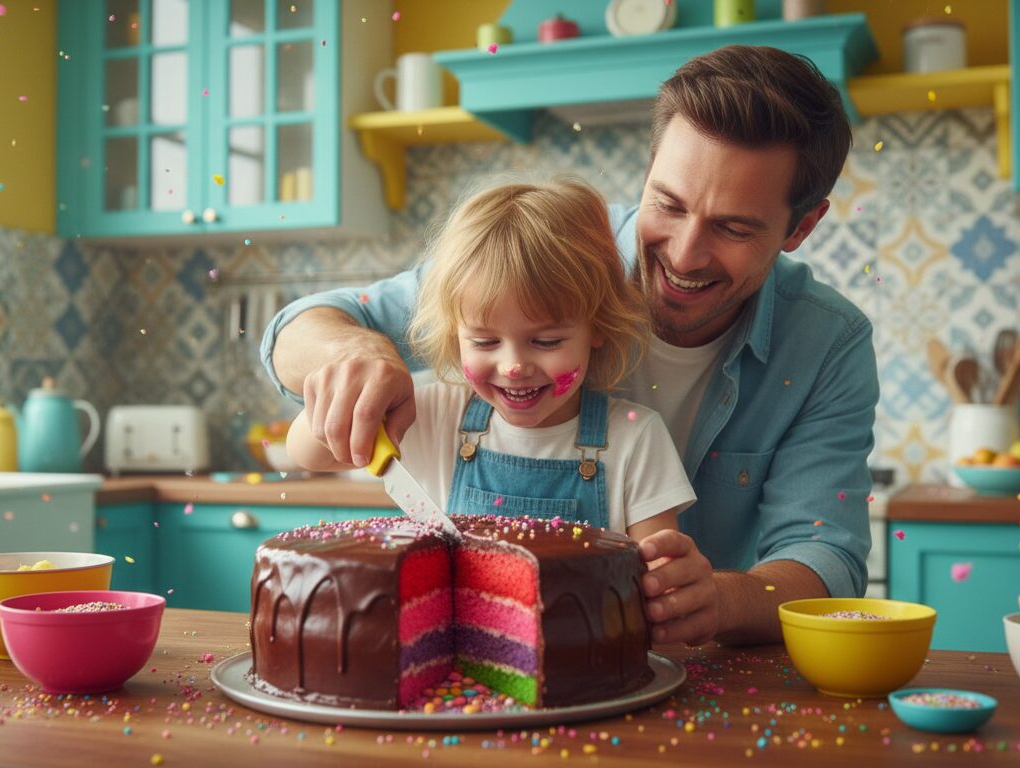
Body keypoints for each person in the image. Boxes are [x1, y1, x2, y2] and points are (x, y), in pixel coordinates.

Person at [261, 45, 877, 647]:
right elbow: (309, 325)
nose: (685, 255)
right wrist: (352, 354)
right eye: (667, 204)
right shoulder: (553, 256)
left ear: (801, 226)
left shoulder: (826, 344)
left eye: (734, 227)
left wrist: (717, 598)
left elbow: (825, 559)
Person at [287, 177, 696, 541]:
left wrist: (667, 575)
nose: (513, 365)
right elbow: (305, 453)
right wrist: (346, 402)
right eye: (484, 342)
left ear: (598, 328)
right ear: (455, 335)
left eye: (547, 340)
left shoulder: (635, 439)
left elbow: (657, 567)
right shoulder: (431, 416)